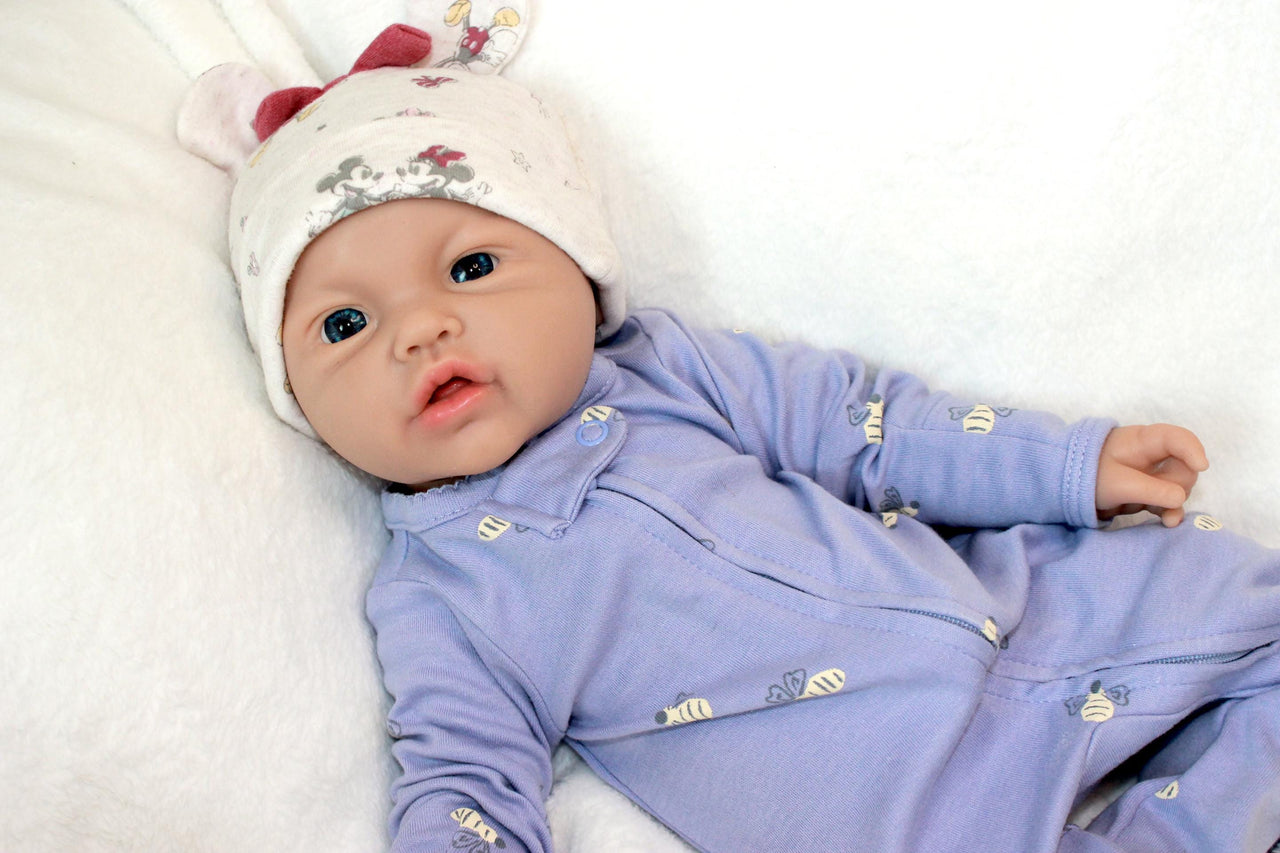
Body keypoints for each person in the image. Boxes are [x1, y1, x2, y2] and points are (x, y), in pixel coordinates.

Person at [214, 23, 1280, 853]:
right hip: (900, 803)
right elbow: (466, 774)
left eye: (471, 267)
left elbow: (868, 428)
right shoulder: (447, 592)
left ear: (579, 266)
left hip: (1015, 608)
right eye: (344, 325)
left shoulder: (666, 368)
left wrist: (1058, 465)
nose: (419, 329)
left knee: (1240, 593)